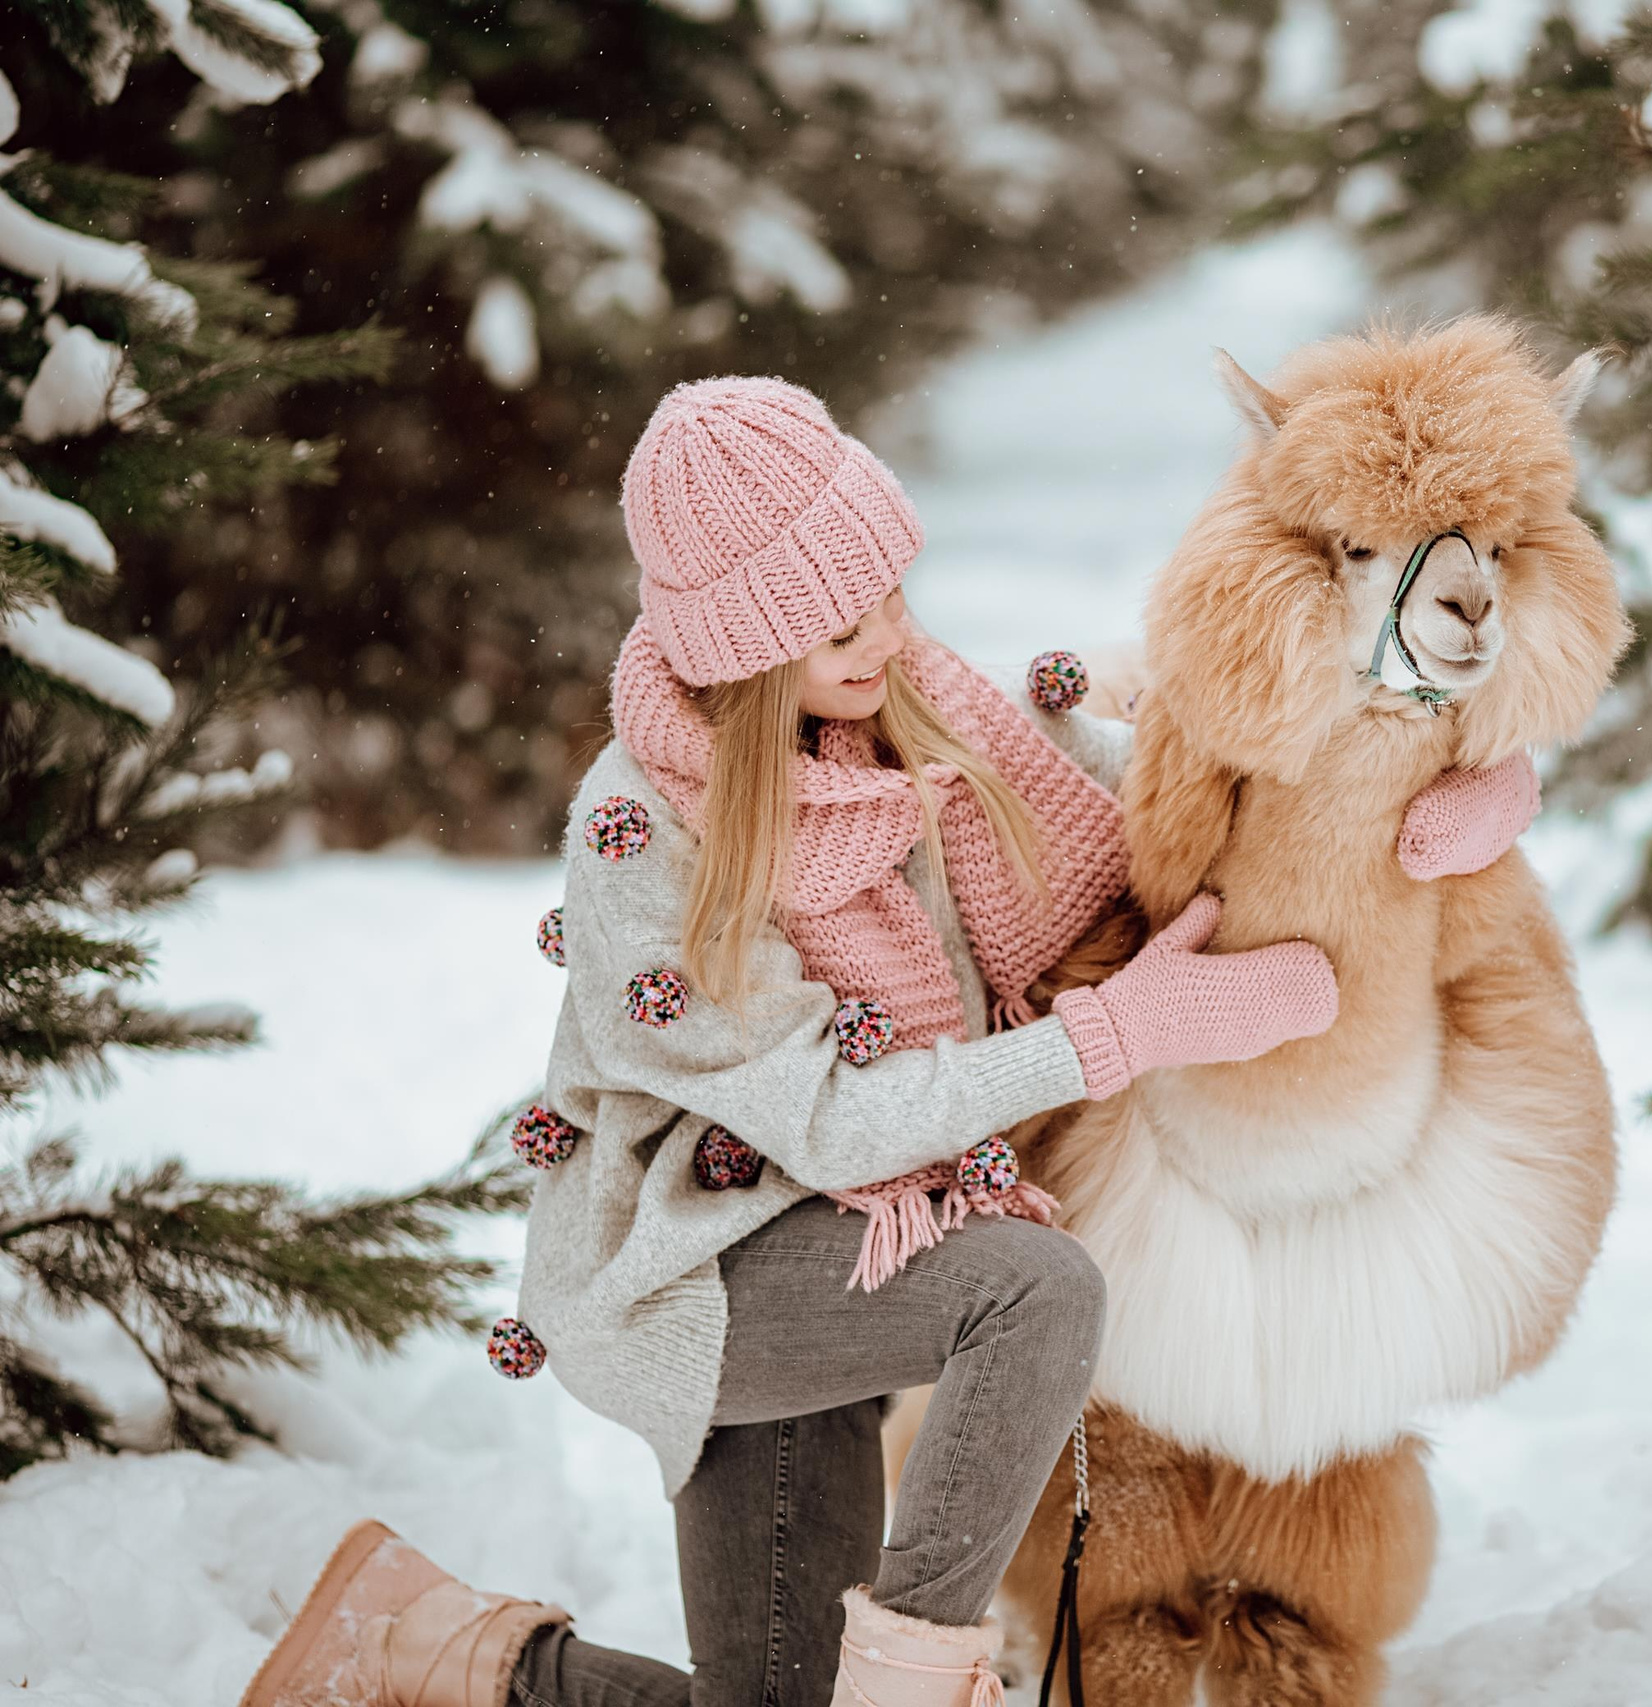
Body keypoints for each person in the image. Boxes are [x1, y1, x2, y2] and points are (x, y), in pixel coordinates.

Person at [235, 376, 1542, 1707]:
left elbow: (1171, 810)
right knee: (1036, 1288)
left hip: (862, 1242)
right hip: (706, 1270)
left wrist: (1430, 762)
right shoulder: (646, 836)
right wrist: (1117, 1032)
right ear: (745, 649)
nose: (884, 639)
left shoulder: (912, 719)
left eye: (889, 595)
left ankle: (437, 1650)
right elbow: (836, 1119)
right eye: (833, 624)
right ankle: (916, 1684)